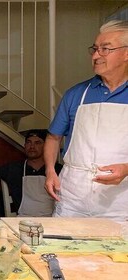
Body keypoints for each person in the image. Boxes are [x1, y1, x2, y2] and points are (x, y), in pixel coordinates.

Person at [44, 20, 128, 222]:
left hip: (120, 202)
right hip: (74, 196)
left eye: (105, 49)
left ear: (126, 54)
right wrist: (49, 171)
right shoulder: (76, 94)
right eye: (95, 49)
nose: (96, 55)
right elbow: (53, 138)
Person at [0, 129, 62, 216]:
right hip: (22, 220)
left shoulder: (58, 170)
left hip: (52, 220)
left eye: (37, 143)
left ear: (46, 146)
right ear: (24, 145)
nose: (32, 146)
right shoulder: (14, 168)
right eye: (29, 142)